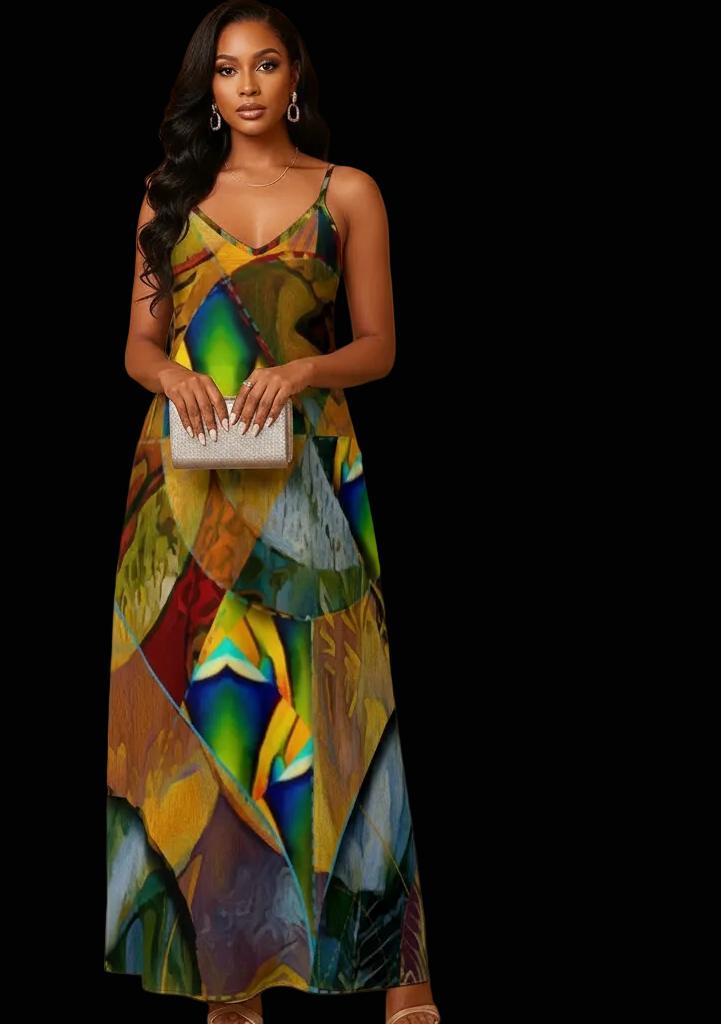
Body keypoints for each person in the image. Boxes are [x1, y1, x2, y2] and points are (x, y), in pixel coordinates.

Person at [105, 4, 438, 1023]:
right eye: (225, 70)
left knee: (345, 709)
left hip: (309, 476)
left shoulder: (350, 193)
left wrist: (302, 371)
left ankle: (400, 975)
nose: (245, 86)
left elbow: (378, 345)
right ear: (207, 89)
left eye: (264, 65)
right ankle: (231, 979)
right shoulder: (169, 193)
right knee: (213, 724)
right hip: (185, 482)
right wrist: (171, 376)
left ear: (295, 78)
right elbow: (138, 346)